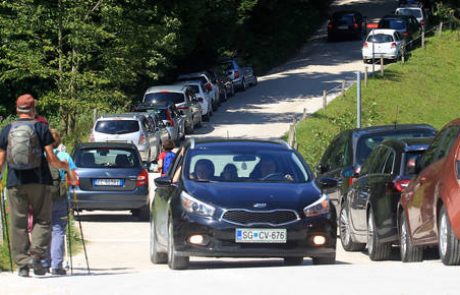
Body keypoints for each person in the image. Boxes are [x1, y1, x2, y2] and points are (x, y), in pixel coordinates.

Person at [0, 94, 69, 277]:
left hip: (15, 182)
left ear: (17, 109)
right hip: (39, 181)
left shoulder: (7, 129)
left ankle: (23, 265)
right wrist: (66, 167)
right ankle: (36, 257)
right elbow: (52, 159)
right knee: (43, 220)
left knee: (18, 223)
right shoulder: (41, 127)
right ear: (33, 109)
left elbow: (1, 161)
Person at [42, 129, 76, 275]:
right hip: (60, 197)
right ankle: (57, 266)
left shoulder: (39, 157)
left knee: (43, 230)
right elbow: (74, 179)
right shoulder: (65, 156)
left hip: (42, 198)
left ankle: (44, 263)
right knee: (58, 230)